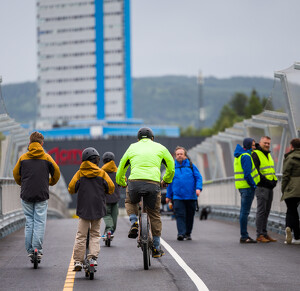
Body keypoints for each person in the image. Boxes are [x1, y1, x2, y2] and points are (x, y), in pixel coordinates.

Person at [116, 127, 175, 258]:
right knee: (154, 213)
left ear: (138, 139)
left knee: (130, 201)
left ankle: (133, 222)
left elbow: (121, 166)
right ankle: (156, 246)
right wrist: (166, 180)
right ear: (152, 138)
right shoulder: (160, 147)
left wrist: (121, 181)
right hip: (153, 183)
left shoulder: (132, 147)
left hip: (134, 182)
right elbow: (171, 166)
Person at [13, 131, 60, 261]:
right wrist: (50, 182)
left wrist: (22, 184)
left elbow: (16, 174)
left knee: (29, 222)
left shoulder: (23, 158)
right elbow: (56, 172)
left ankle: (29, 250)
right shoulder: (47, 157)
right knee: (39, 221)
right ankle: (37, 250)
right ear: (42, 143)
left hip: (26, 193)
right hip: (42, 194)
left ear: (30, 142)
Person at [68, 147, 115, 271]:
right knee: (95, 234)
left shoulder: (79, 173)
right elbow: (111, 188)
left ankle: (78, 261)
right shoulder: (101, 173)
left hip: (83, 209)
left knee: (81, 235)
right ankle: (92, 258)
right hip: (98, 208)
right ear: (96, 161)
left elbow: (71, 188)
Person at [165, 146, 203, 241]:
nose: (179, 156)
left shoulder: (191, 166)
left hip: (191, 196)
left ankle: (188, 233)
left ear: (185, 155)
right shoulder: (172, 167)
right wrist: (168, 196)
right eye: (177, 154)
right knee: (180, 215)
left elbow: (198, 178)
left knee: (190, 215)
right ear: (175, 156)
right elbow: (169, 183)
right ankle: (181, 233)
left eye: (181, 154)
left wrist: (198, 189)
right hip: (178, 196)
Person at [234, 137, 260, 243]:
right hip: (247, 187)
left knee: (243, 212)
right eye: (253, 145)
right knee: (245, 212)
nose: (254, 147)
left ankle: (244, 235)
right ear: (249, 145)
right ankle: (244, 236)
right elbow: (247, 174)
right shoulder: (246, 156)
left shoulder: (240, 155)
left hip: (242, 187)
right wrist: (253, 185)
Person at [252, 136, 278, 243]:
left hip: (269, 187)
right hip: (262, 186)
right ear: (260, 143)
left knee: (267, 211)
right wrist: (267, 182)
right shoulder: (256, 154)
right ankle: (259, 234)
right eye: (265, 143)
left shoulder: (268, 155)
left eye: (268, 143)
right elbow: (256, 172)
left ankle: (264, 233)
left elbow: (271, 170)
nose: (267, 145)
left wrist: (274, 181)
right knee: (261, 211)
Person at [281, 138, 300, 245]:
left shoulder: (290, 157)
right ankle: (295, 235)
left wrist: (283, 189)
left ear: (291, 146)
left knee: (291, 209)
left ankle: (293, 232)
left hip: (292, 188)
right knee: (292, 210)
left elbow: (285, 175)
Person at [101, 151, 120, 239]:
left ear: (104, 161)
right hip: (115, 199)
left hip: (105, 199)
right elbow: (123, 182)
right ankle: (110, 231)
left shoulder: (101, 172)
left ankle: (108, 230)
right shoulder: (118, 172)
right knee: (114, 217)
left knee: (106, 215)